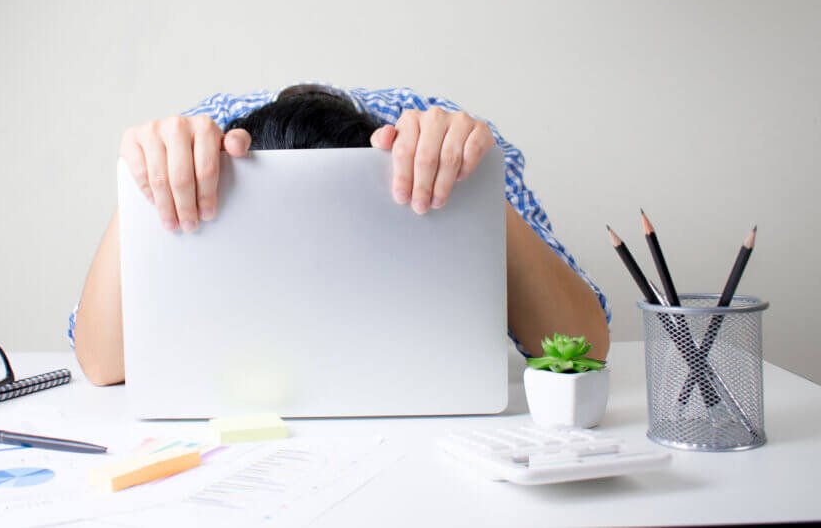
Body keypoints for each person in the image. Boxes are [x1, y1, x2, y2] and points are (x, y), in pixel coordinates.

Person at [70, 84, 610, 386]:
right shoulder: (184, 149)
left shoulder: (453, 143)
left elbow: (583, 347)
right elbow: (104, 364)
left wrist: (478, 195)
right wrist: (138, 187)